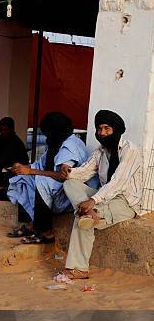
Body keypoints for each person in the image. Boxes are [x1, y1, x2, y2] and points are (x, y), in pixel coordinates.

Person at [61, 109, 142, 279]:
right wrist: (68, 171)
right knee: (69, 184)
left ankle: (79, 269)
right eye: (99, 129)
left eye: (107, 129)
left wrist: (93, 200)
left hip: (125, 202)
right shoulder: (101, 151)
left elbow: (118, 182)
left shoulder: (130, 150)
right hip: (103, 196)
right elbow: (84, 172)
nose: (102, 133)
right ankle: (92, 213)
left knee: (82, 218)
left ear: (116, 129)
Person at [6, 112, 93, 243]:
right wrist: (22, 168)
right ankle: (31, 224)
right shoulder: (56, 143)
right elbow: (40, 166)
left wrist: (30, 171)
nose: (46, 136)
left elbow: (62, 176)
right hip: (57, 187)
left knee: (41, 181)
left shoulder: (70, 146)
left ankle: (47, 232)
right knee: (23, 178)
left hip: (70, 193)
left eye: (47, 132)